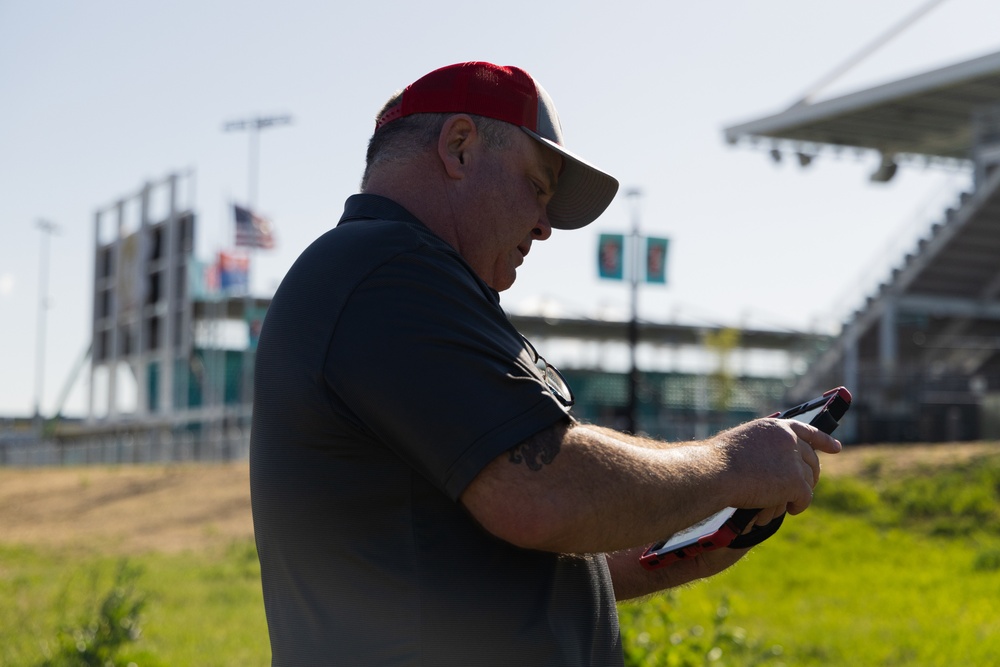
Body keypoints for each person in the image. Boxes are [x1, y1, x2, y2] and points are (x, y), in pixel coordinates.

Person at [249, 61, 841, 666]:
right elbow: (540, 494)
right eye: (537, 185)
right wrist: (730, 464)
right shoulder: (387, 271)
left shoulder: (386, 276)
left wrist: (669, 553)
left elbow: (477, 557)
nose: (544, 226)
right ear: (458, 147)